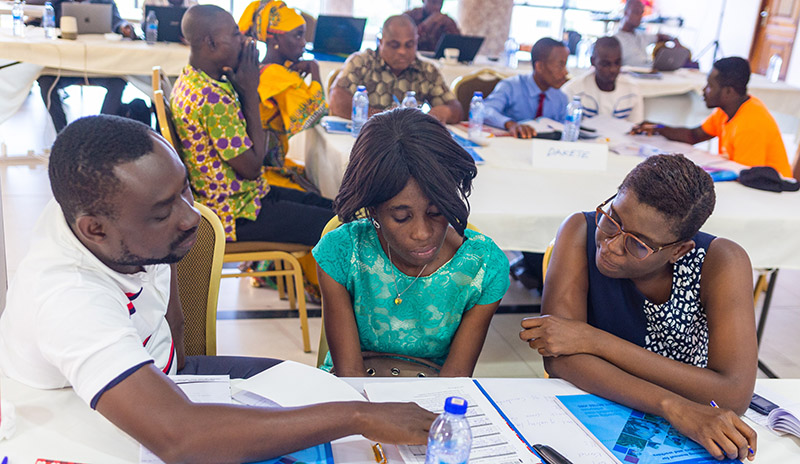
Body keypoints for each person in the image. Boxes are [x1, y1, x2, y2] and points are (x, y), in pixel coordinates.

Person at [0, 115, 435, 463]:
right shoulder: (66, 298)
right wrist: (359, 417)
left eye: (185, 189)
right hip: (76, 426)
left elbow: (168, 300)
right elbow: (181, 439)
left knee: (309, 388)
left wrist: (182, 354)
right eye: (162, 211)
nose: (191, 217)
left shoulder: (114, 224)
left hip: (165, 379)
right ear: (93, 230)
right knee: (340, 422)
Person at [519, 154, 758, 461]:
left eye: (639, 244)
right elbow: (560, 359)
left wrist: (594, 340)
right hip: (597, 406)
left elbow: (733, 395)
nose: (611, 245)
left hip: (692, 424)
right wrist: (672, 405)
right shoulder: (579, 230)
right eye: (613, 218)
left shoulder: (721, 261)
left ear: (678, 250)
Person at [314, 108, 509, 377]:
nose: (421, 233)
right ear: (373, 210)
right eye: (402, 217)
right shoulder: (342, 251)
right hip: (353, 396)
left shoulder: (483, 268)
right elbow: (350, 379)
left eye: (436, 212)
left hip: (433, 395)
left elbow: (454, 384)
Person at [171, 5, 334, 247]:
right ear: (211, 43)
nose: (245, 40)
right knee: (338, 226)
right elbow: (252, 168)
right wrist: (249, 94)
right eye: (236, 34)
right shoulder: (212, 98)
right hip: (234, 214)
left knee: (336, 210)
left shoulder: (192, 79)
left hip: (247, 198)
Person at [631, 57, 793, 177]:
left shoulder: (750, 124)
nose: (704, 90)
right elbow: (693, 135)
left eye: (710, 86)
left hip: (773, 193)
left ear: (729, 92)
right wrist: (658, 128)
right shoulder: (727, 110)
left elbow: (745, 176)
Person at [237, 0, 326, 180]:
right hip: (265, 171)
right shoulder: (276, 75)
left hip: (261, 162)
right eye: (298, 35)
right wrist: (315, 70)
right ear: (275, 39)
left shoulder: (265, 69)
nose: (304, 43)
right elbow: (315, 114)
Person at [328, 15, 462, 124]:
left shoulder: (427, 70)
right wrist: (381, 118)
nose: (402, 51)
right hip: (367, 138)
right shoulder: (361, 62)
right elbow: (337, 101)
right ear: (380, 42)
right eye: (394, 45)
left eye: (409, 45)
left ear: (416, 42)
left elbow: (456, 109)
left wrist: (443, 112)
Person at [37, 0, 134, 133]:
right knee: (45, 81)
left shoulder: (106, 2)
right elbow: (46, 24)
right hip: (66, 65)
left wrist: (124, 27)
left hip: (98, 66)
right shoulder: (56, 2)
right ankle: (63, 134)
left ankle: (100, 132)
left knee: (118, 82)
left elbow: (117, 22)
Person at [483, 37, 569, 139]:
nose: (566, 72)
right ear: (539, 66)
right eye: (560, 65)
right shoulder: (511, 86)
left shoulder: (561, 97)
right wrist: (510, 124)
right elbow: (485, 110)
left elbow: (564, 129)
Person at [562, 36, 644, 123]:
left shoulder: (633, 90)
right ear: (593, 61)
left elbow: (635, 127)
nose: (613, 69)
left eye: (617, 63)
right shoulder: (573, 90)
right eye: (605, 64)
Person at [614, 0, 676, 67]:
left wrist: (674, 40)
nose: (640, 17)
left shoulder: (641, 35)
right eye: (636, 12)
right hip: (629, 75)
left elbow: (660, 37)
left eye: (641, 13)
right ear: (626, 12)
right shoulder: (615, 39)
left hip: (648, 72)